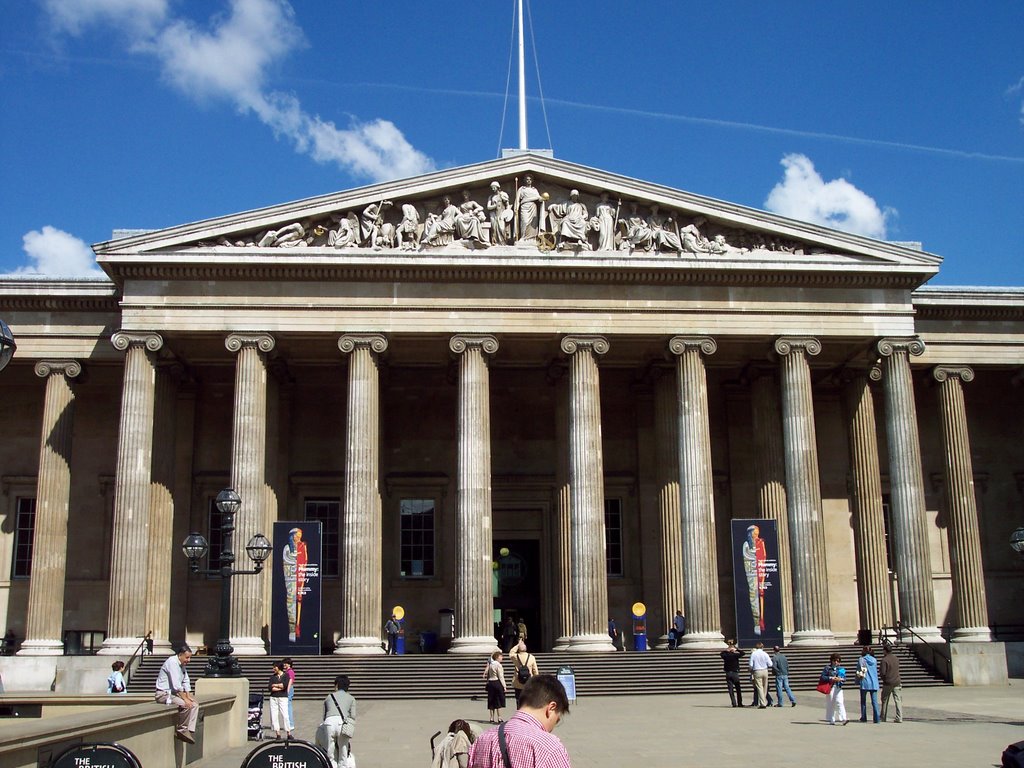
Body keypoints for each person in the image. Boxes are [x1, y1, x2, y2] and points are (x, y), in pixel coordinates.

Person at [468, 674, 572, 768]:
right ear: (551, 708)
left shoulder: (482, 740)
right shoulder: (549, 747)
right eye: (557, 720)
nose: (552, 728)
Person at [155, 645, 199, 743]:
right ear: (180, 655)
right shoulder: (172, 662)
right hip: (164, 694)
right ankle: (182, 730)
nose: (189, 660)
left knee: (195, 705)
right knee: (185, 705)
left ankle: (189, 731)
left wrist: (188, 696)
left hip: (174, 694)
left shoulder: (182, 665)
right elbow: (176, 685)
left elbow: (186, 681)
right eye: (187, 657)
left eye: (190, 657)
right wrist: (185, 699)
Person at [316, 674, 356, 768]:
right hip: (342, 723)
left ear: (337, 685)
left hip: (329, 722)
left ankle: (331, 765)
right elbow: (353, 715)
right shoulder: (351, 698)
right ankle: (343, 766)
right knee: (343, 748)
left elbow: (324, 715)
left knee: (330, 748)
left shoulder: (329, 697)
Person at [742, 524, 768, 636]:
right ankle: (756, 622)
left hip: (760, 571)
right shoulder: (746, 544)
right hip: (751, 573)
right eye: (754, 533)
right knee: (754, 596)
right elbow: (746, 555)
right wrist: (755, 553)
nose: (756, 535)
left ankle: (762, 621)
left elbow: (764, 555)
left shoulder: (760, 542)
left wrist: (758, 552)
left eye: (757, 533)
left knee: (761, 594)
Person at [282, 527, 308, 642]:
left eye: (300, 536)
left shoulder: (303, 546)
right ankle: (291, 630)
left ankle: (297, 627)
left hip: (299, 576)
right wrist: (295, 557)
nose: (299, 538)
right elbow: (286, 560)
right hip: (291, 578)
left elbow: (305, 560)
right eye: (297, 535)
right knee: (290, 601)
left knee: (299, 600)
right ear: (292, 536)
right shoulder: (287, 548)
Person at [878, 642, 903, 723]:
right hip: (897, 681)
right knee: (898, 700)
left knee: (885, 700)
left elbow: (882, 672)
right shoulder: (896, 658)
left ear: (885, 651)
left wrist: (884, 679)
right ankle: (899, 717)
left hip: (888, 682)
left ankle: (883, 716)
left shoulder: (884, 660)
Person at [821, 652, 848, 725]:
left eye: (838, 661)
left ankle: (844, 718)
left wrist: (841, 679)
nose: (836, 662)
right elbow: (823, 677)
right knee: (831, 703)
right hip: (831, 687)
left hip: (838, 687)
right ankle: (831, 719)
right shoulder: (827, 668)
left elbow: (845, 678)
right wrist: (831, 678)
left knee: (840, 702)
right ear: (831, 660)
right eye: (835, 660)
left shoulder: (841, 669)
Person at [268, 660, 292, 739]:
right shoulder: (272, 677)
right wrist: (279, 687)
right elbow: (270, 688)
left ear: (279, 667)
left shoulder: (286, 676)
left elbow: (284, 685)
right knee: (274, 715)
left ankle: (288, 733)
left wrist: (276, 686)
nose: (273, 668)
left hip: (283, 697)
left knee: (285, 715)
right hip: (273, 698)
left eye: (275, 667)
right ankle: (277, 734)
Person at [511, 641, 539, 706]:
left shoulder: (515, 657)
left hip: (518, 682)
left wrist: (517, 645)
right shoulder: (531, 657)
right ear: (526, 649)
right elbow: (535, 671)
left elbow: (511, 653)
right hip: (529, 682)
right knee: (528, 699)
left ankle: (519, 711)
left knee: (518, 699)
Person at [857, 645, 881, 723]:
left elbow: (861, 670)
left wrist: (857, 677)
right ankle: (877, 718)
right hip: (874, 682)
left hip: (865, 682)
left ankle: (864, 717)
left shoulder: (861, 659)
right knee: (874, 701)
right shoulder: (874, 660)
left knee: (863, 701)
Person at [515, 175, 542, 242]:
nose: (529, 180)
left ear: (532, 181)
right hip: (524, 207)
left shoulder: (534, 190)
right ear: (525, 180)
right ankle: (523, 237)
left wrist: (542, 199)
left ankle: (532, 238)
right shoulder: (521, 189)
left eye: (530, 179)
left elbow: (539, 198)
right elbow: (517, 200)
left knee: (533, 224)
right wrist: (516, 208)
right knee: (524, 222)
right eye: (527, 179)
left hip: (533, 207)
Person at [482, 649, 506, 724]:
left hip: (491, 683)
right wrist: (504, 686)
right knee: (498, 700)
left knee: (491, 700)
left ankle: (491, 718)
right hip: (497, 682)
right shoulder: (498, 665)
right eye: (501, 656)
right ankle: (499, 718)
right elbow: (501, 676)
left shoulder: (491, 664)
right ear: (497, 657)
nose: (502, 658)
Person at [748, 641, 773, 708]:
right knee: (765, 687)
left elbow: (750, 664)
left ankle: (763, 703)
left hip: (757, 671)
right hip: (765, 670)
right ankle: (763, 701)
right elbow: (770, 664)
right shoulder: (765, 654)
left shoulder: (753, 654)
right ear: (762, 647)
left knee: (759, 687)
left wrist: (750, 670)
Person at [721, 640, 745, 707]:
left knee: (731, 689)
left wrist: (727, 650)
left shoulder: (726, 656)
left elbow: (721, 654)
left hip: (728, 673)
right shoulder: (735, 655)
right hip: (735, 673)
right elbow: (743, 653)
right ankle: (740, 703)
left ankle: (734, 703)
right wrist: (737, 649)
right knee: (738, 689)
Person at [283, 657, 296, 729]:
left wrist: (287, 690)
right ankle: (289, 724)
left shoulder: (290, 671)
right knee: (287, 706)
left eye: (285, 663)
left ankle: (290, 724)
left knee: (288, 706)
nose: (284, 664)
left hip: (289, 688)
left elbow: (290, 681)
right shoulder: (287, 671)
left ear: (289, 664)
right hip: (288, 688)